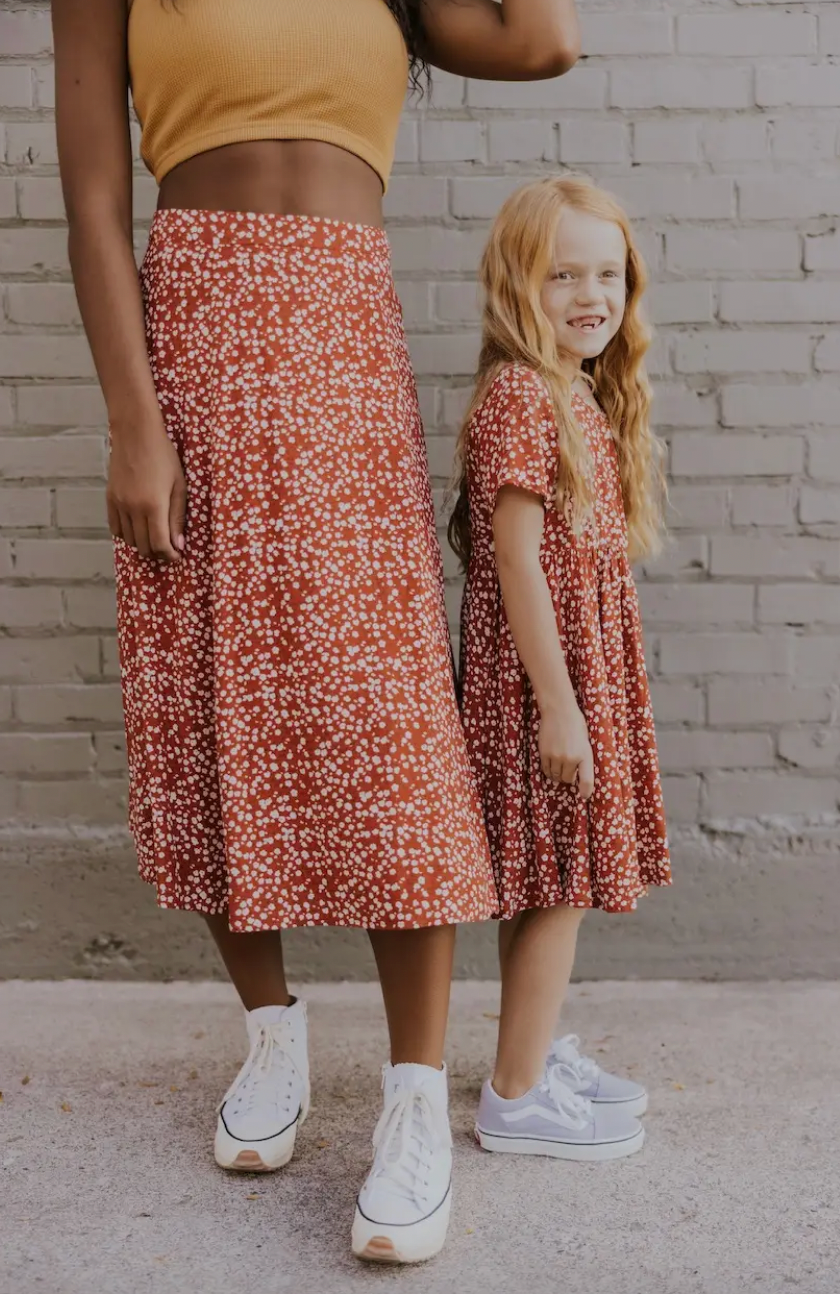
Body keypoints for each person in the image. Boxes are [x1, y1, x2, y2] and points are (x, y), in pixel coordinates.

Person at [50, 0, 581, 1267]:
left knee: (386, 715)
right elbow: (91, 204)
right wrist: (135, 419)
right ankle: (273, 1033)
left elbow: (546, 36)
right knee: (209, 691)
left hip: (343, 329)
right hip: (192, 335)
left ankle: (410, 1105)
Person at [449, 176, 672, 1162]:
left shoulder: (575, 391)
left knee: (549, 877)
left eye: (608, 273)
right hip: (546, 682)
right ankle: (516, 1093)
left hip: (573, 678)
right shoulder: (519, 394)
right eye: (562, 274)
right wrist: (559, 705)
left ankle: (529, 1053)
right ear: (516, 285)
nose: (591, 293)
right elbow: (512, 558)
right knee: (559, 883)